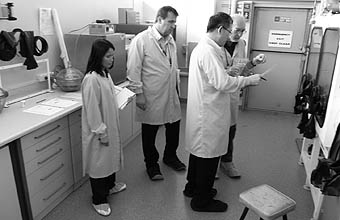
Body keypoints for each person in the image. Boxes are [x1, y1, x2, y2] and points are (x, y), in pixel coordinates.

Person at [183, 12, 262, 212]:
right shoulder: (208, 51)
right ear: (220, 29)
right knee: (208, 157)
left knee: (198, 154)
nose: (230, 37)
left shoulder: (208, 48)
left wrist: (228, 72)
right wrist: (249, 81)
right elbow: (222, 83)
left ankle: (192, 188)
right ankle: (201, 201)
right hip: (208, 114)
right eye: (229, 31)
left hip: (205, 110)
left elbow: (216, 75)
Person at [127, 6, 185, 181]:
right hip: (151, 95)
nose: (173, 26)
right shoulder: (141, 40)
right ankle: (151, 165)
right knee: (150, 132)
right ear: (159, 19)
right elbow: (133, 70)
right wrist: (139, 94)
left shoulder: (170, 40)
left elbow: (171, 66)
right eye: (170, 22)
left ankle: (170, 157)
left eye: (175, 22)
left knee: (174, 127)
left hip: (170, 93)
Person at [81, 39, 126, 216]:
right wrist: (101, 132)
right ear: (98, 56)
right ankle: (98, 199)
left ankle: (110, 186)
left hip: (110, 125)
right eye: (108, 56)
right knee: (99, 163)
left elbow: (108, 95)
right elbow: (92, 110)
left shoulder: (105, 74)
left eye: (112, 56)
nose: (111, 60)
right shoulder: (91, 79)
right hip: (99, 129)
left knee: (109, 158)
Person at [220, 14, 266, 178]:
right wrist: (227, 73)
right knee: (216, 129)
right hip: (216, 94)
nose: (239, 34)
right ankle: (211, 162)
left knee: (231, 129)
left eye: (242, 31)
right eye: (237, 30)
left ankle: (227, 162)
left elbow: (243, 69)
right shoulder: (216, 44)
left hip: (232, 94)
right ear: (227, 27)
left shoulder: (241, 44)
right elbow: (212, 74)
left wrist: (254, 62)